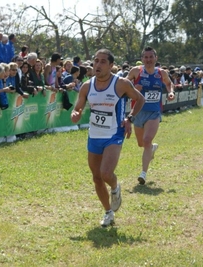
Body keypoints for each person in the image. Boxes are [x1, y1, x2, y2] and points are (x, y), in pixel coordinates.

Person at [70, 49, 145, 227]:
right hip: (94, 135)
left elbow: (140, 99)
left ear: (111, 65)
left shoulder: (121, 84)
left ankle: (115, 187)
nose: (98, 64)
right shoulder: (87, 86)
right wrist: (76, 113)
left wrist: (130, 118)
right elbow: (78, 106)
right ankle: (108, 212)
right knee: (96, 178)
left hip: (114, 134)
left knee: (105, 173)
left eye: (103, 61)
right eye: (96, 61)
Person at [126, 46, 175, 185]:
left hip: (154, 112)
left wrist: (171, 92)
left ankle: (143, 173)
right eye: (145, 57)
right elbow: (123, 84)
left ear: (155, 58)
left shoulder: (161, 73)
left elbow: (169, 83)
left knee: (146, 140)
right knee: (142, 143)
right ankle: (152, 148)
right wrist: (133, 88)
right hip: (137, 111)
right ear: (142, 59)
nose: (148, 60)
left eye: (151, 57)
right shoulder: (136, 71)